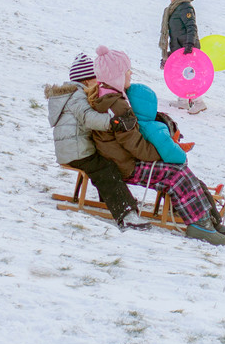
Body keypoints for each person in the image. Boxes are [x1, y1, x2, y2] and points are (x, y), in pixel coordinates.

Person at [86, 45, 225, 244]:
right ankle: (199, 224)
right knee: (176, 172)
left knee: (177, 168)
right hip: (126, 165)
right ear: (116, 75)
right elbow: (133, 143)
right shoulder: (116, 104)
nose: (130, 73)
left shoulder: (111, 97)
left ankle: (207, 219)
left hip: (122, 159)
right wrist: (160, 155)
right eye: (127, 70)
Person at [46, 53, 150, 232]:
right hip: (77, 152)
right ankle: (126, 214)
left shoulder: (71, 93)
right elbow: (88, 118)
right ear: (87, 81)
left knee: (107, 162)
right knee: (105, 171)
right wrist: (112, 122)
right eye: (96, 79)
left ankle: (112, 199)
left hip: (71, 149)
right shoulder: (77, 95)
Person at [159, 0, 205, 113]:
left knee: (190, 75)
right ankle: (183, 101)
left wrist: (189, 45)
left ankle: (199, 102)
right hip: (178, 46)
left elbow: (191, 27)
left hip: (187, 47)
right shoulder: (174, 8)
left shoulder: (185, 6)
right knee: (180, 73)